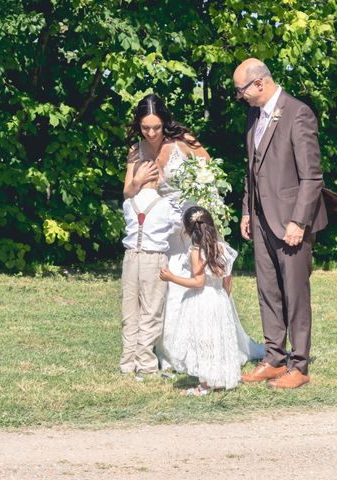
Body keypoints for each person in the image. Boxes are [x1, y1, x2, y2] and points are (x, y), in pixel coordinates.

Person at [122, 94, 263, 372]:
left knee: (198, 282)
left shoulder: (185, 141)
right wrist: (138, 180)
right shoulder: (135, 150)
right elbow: (128, 192)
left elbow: (210, 177)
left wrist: (211, 229)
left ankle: (206, 348)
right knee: (166, 288)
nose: (151, 133)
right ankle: (168, 351)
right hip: (162, 230)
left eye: (156, 127)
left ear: (165, 123)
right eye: (145, 128)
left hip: (192, 224)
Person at [233, 58, 327, 389]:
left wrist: (298, 221)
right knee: (268, 291)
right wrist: (247, 209)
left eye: (240, 89)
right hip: (260, 218)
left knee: (295, 293)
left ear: (260, 83)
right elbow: (252, 169)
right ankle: (274, 358)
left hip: (290, 221)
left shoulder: (298, 113)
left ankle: (299, 366)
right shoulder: (253, 116)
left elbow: (312, 177)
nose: (239, 96)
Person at [159, 206, 242, 395]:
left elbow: (198, 282)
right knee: (216, 339)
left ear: (188, 230)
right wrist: (222, 301)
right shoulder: (222, 248)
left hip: (201, 301)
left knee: (203, 341)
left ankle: (204, 386)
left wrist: (171, 277)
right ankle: (219, 380)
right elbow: (228, 283)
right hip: (219, 299)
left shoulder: (196, 251)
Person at [120, 160, 181, 379]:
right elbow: (177, 225)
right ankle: (145, 363)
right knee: (151, 310)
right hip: (153, 258)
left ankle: (127, 362)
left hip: (130, 258)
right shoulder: (167, 205)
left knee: (130, 311)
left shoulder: (129, 204)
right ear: (157, 178)